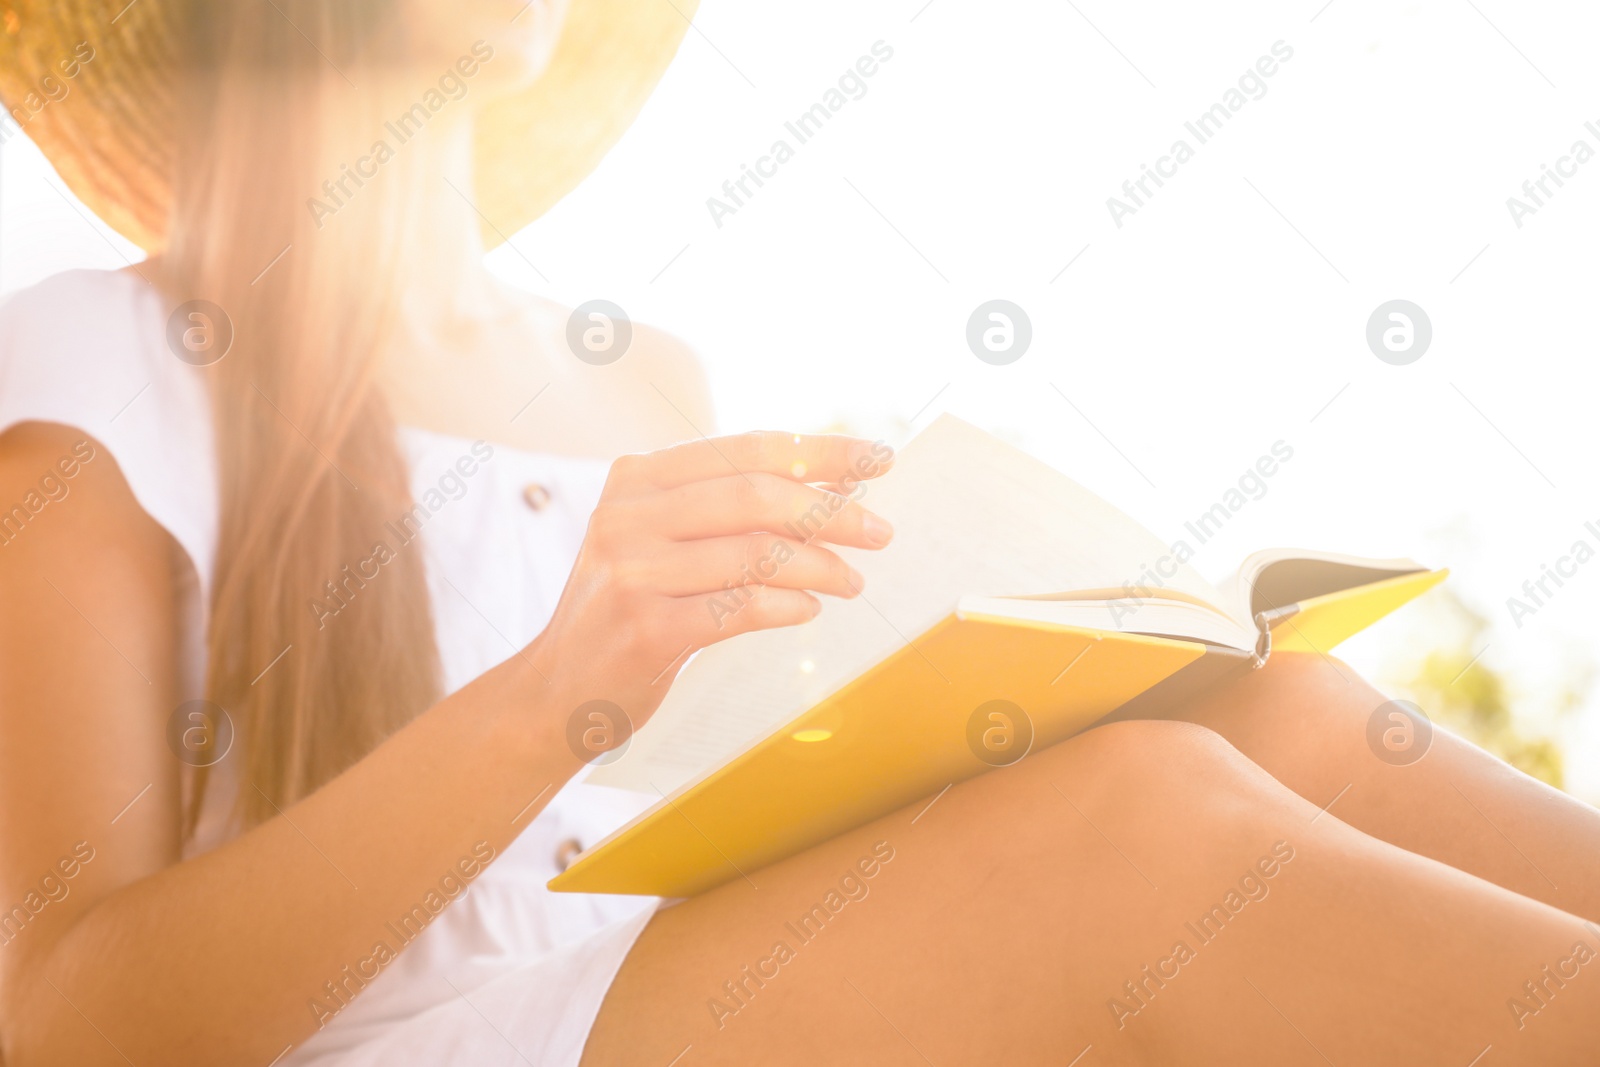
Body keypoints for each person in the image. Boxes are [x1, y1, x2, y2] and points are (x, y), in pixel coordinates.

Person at [0, 2, 1595, 1064]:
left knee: (1269, 711)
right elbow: (67, 1018)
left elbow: (710, 815)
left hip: (692, 986)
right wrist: (559, 696)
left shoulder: (640, 376)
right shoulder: (98, 362)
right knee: (1138, 821)